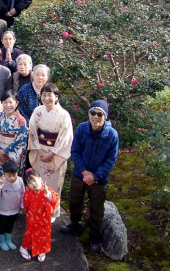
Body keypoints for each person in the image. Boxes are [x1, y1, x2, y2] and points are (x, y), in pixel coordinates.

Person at [61, 100, 119, 253]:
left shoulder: (112, 135)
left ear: (105, 116)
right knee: (74, 202)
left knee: (96, 209)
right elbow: (75, 151)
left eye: (99, 114)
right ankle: (75, 226)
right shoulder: (82, 128)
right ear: (89, 114)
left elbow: (111, 160)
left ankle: (94, 237)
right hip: (80, 174)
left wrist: (95, 176)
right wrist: (84, 172)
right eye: (93, 113)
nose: (95, 117)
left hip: (99, 179)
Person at [28, 83, 73, 220]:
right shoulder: (38, 111)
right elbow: (32, 130)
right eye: (43, 95)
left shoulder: (64, 115)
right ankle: (37, 208)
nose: (46, 98)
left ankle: (52, 211)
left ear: (56, 97)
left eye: (49, 95)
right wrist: (39, 150)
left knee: (53, 184)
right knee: (38, 181)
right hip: (40, 150)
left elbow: (65, 136)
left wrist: (52, 153)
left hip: (55, 153)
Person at [20, 168, 59, 262]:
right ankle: (23, 248)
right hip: (32, 218)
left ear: (40, 179)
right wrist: (28, 213)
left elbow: (55, 199)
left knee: (44, 235)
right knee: (29, 234)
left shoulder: (47, 190)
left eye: (34, 180)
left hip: (44, 219)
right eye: (29, 183)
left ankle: (42, 251)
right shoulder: (28, 192)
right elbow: (26, 205)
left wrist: (47, 194)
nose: (33, 184)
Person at [0, 91, 29, 183]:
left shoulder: (21, 121)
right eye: (5, 102)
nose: (8, 105)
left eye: (11, 102)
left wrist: (6, 154)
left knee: (12, 182)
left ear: (17, 103)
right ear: (1, 103)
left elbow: (21, 142)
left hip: (13, 158)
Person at [0, 160, 25, 252]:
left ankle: (8, 240)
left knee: (10, 225)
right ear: (4, 174)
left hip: (15, 209)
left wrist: (22, 206)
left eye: (14, 175)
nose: (12, 178)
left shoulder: (20, 181)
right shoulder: (1, 182)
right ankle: (1, 241)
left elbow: (23, 194)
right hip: (3, 210)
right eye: (9, 175)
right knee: (2, 226)